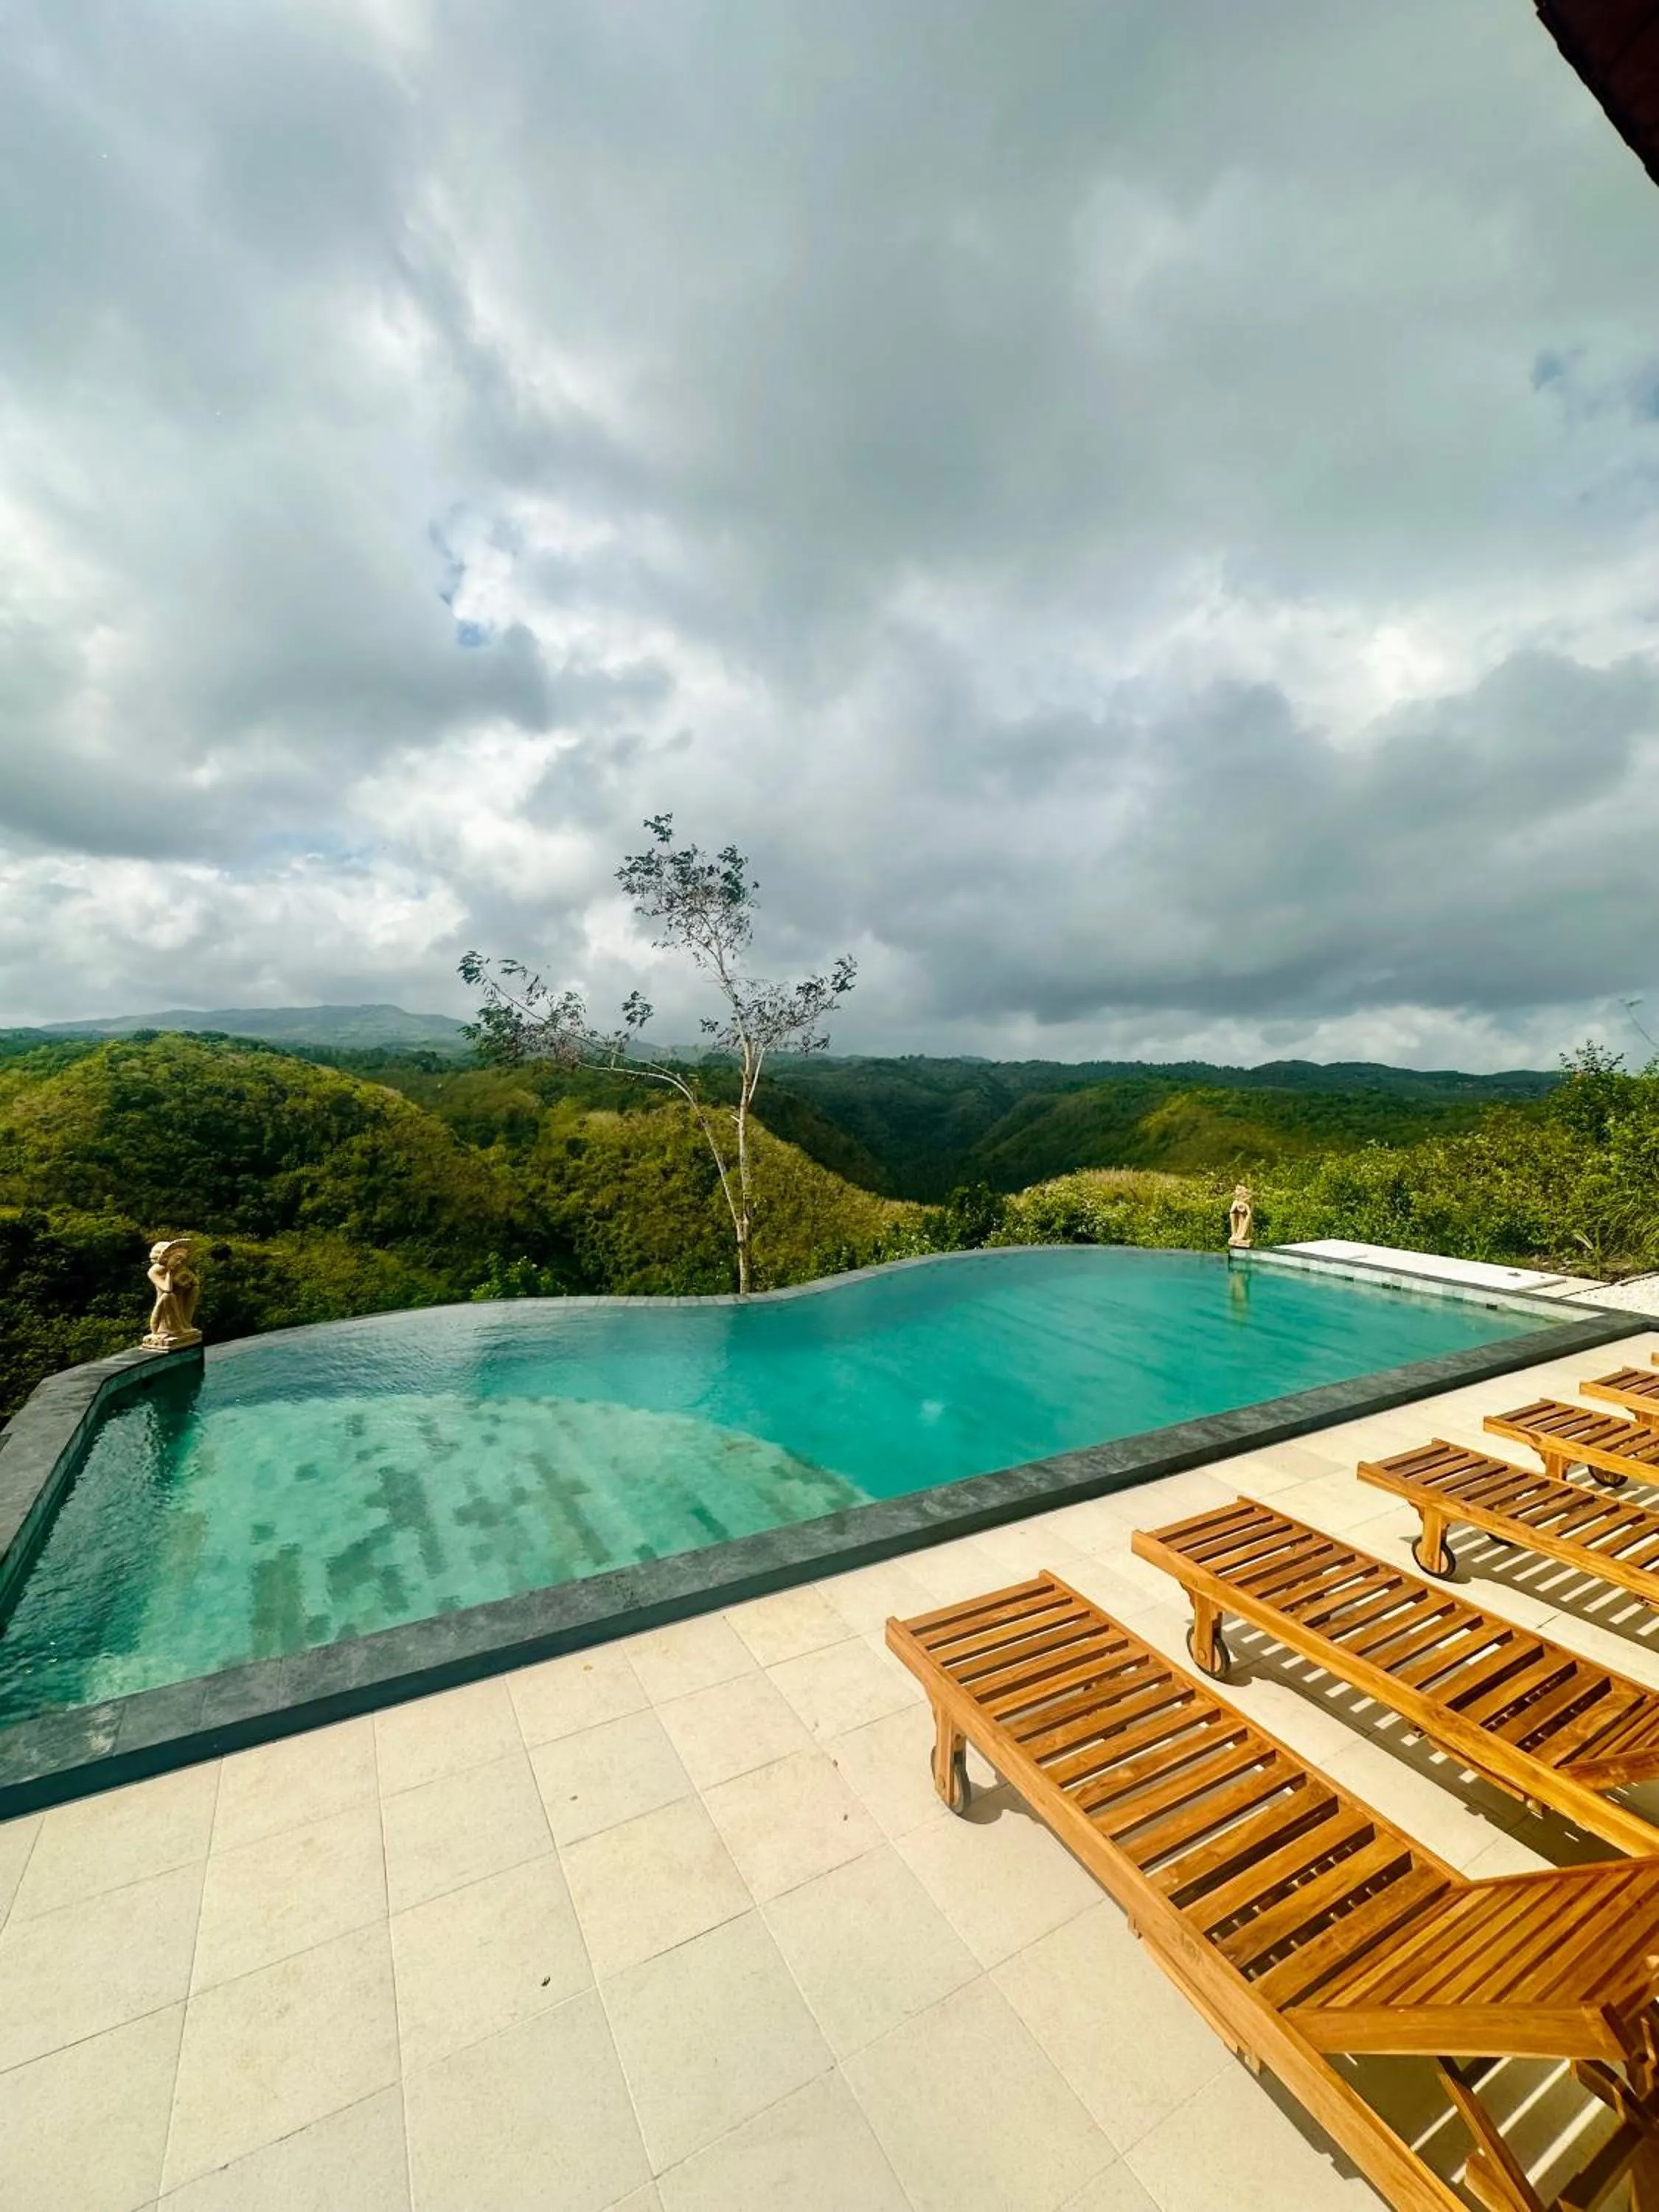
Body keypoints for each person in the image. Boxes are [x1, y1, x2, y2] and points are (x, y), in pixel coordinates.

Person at [143, 1238, 202, 1347]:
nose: (179, 1263)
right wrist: (170, 1273)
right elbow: (167, 1289)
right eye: (177, 1259)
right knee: (168, 1296)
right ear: (166, 1258)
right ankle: (175, 1328)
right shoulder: (154, 1271)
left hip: (179, 1303)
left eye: (182, 1260)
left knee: (195, 1290)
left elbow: (196, 1283)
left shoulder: (180, 1267)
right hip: (165, 1306)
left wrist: (187, 1279)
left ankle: (185, 1324)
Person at [1228, 1183, 1253, 1249]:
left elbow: (1249, 1213)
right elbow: (1231, 1211)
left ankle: (1243, 1235)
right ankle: (1234, 1234)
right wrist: (1237, 1205)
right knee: (1232, 1215)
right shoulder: (1236, 1202)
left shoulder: (1249, 1202)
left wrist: (1245, 1206)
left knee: (1248, 1218)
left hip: (1245, 1220)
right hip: (1239, 1221)